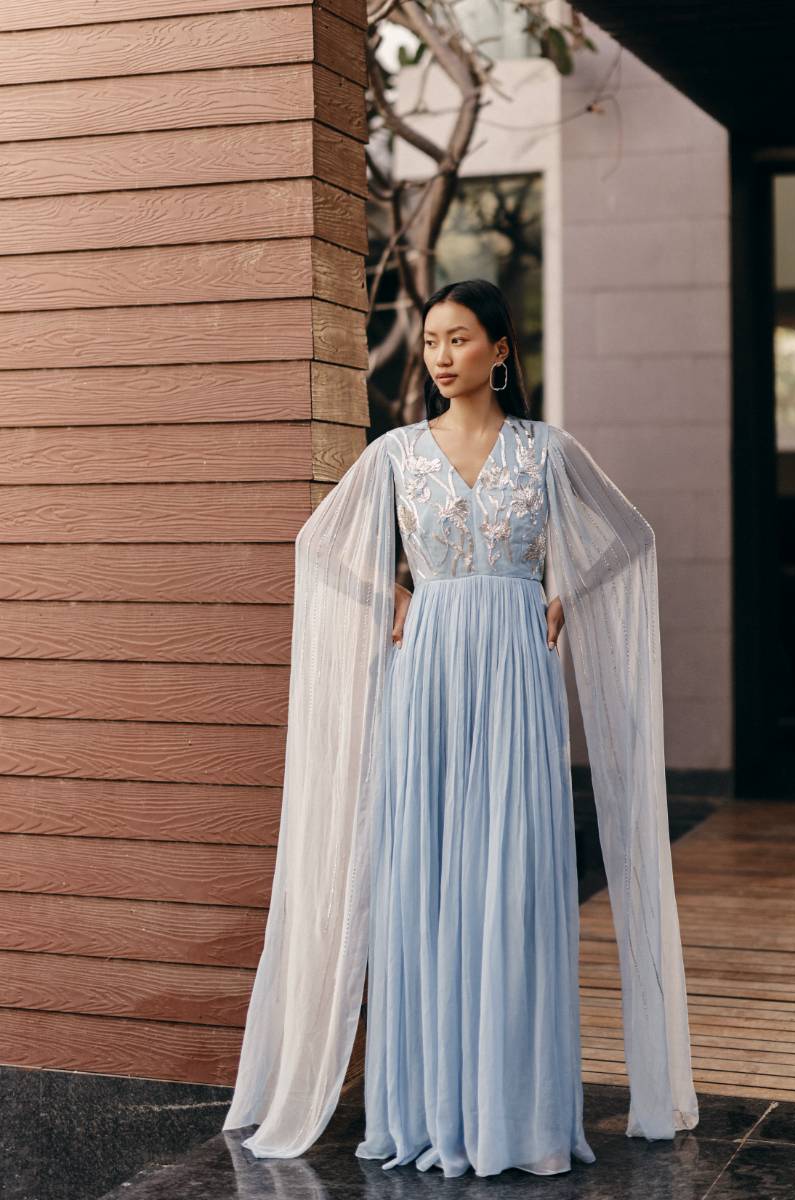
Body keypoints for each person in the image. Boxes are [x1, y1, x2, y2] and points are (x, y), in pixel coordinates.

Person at [222, 279, 699, 1175]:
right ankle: (435, 1108)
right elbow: (320, 545)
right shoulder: (397, 454)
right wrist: (395, 594)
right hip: (431, 679)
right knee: (429, 881)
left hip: (518, 682)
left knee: (514, 880)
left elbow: (627, 539)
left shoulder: (546, 453)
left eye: (459, 338)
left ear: (501, 351)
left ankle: (517, 1115)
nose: (439, 355)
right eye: (432, 341)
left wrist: (565, 593)